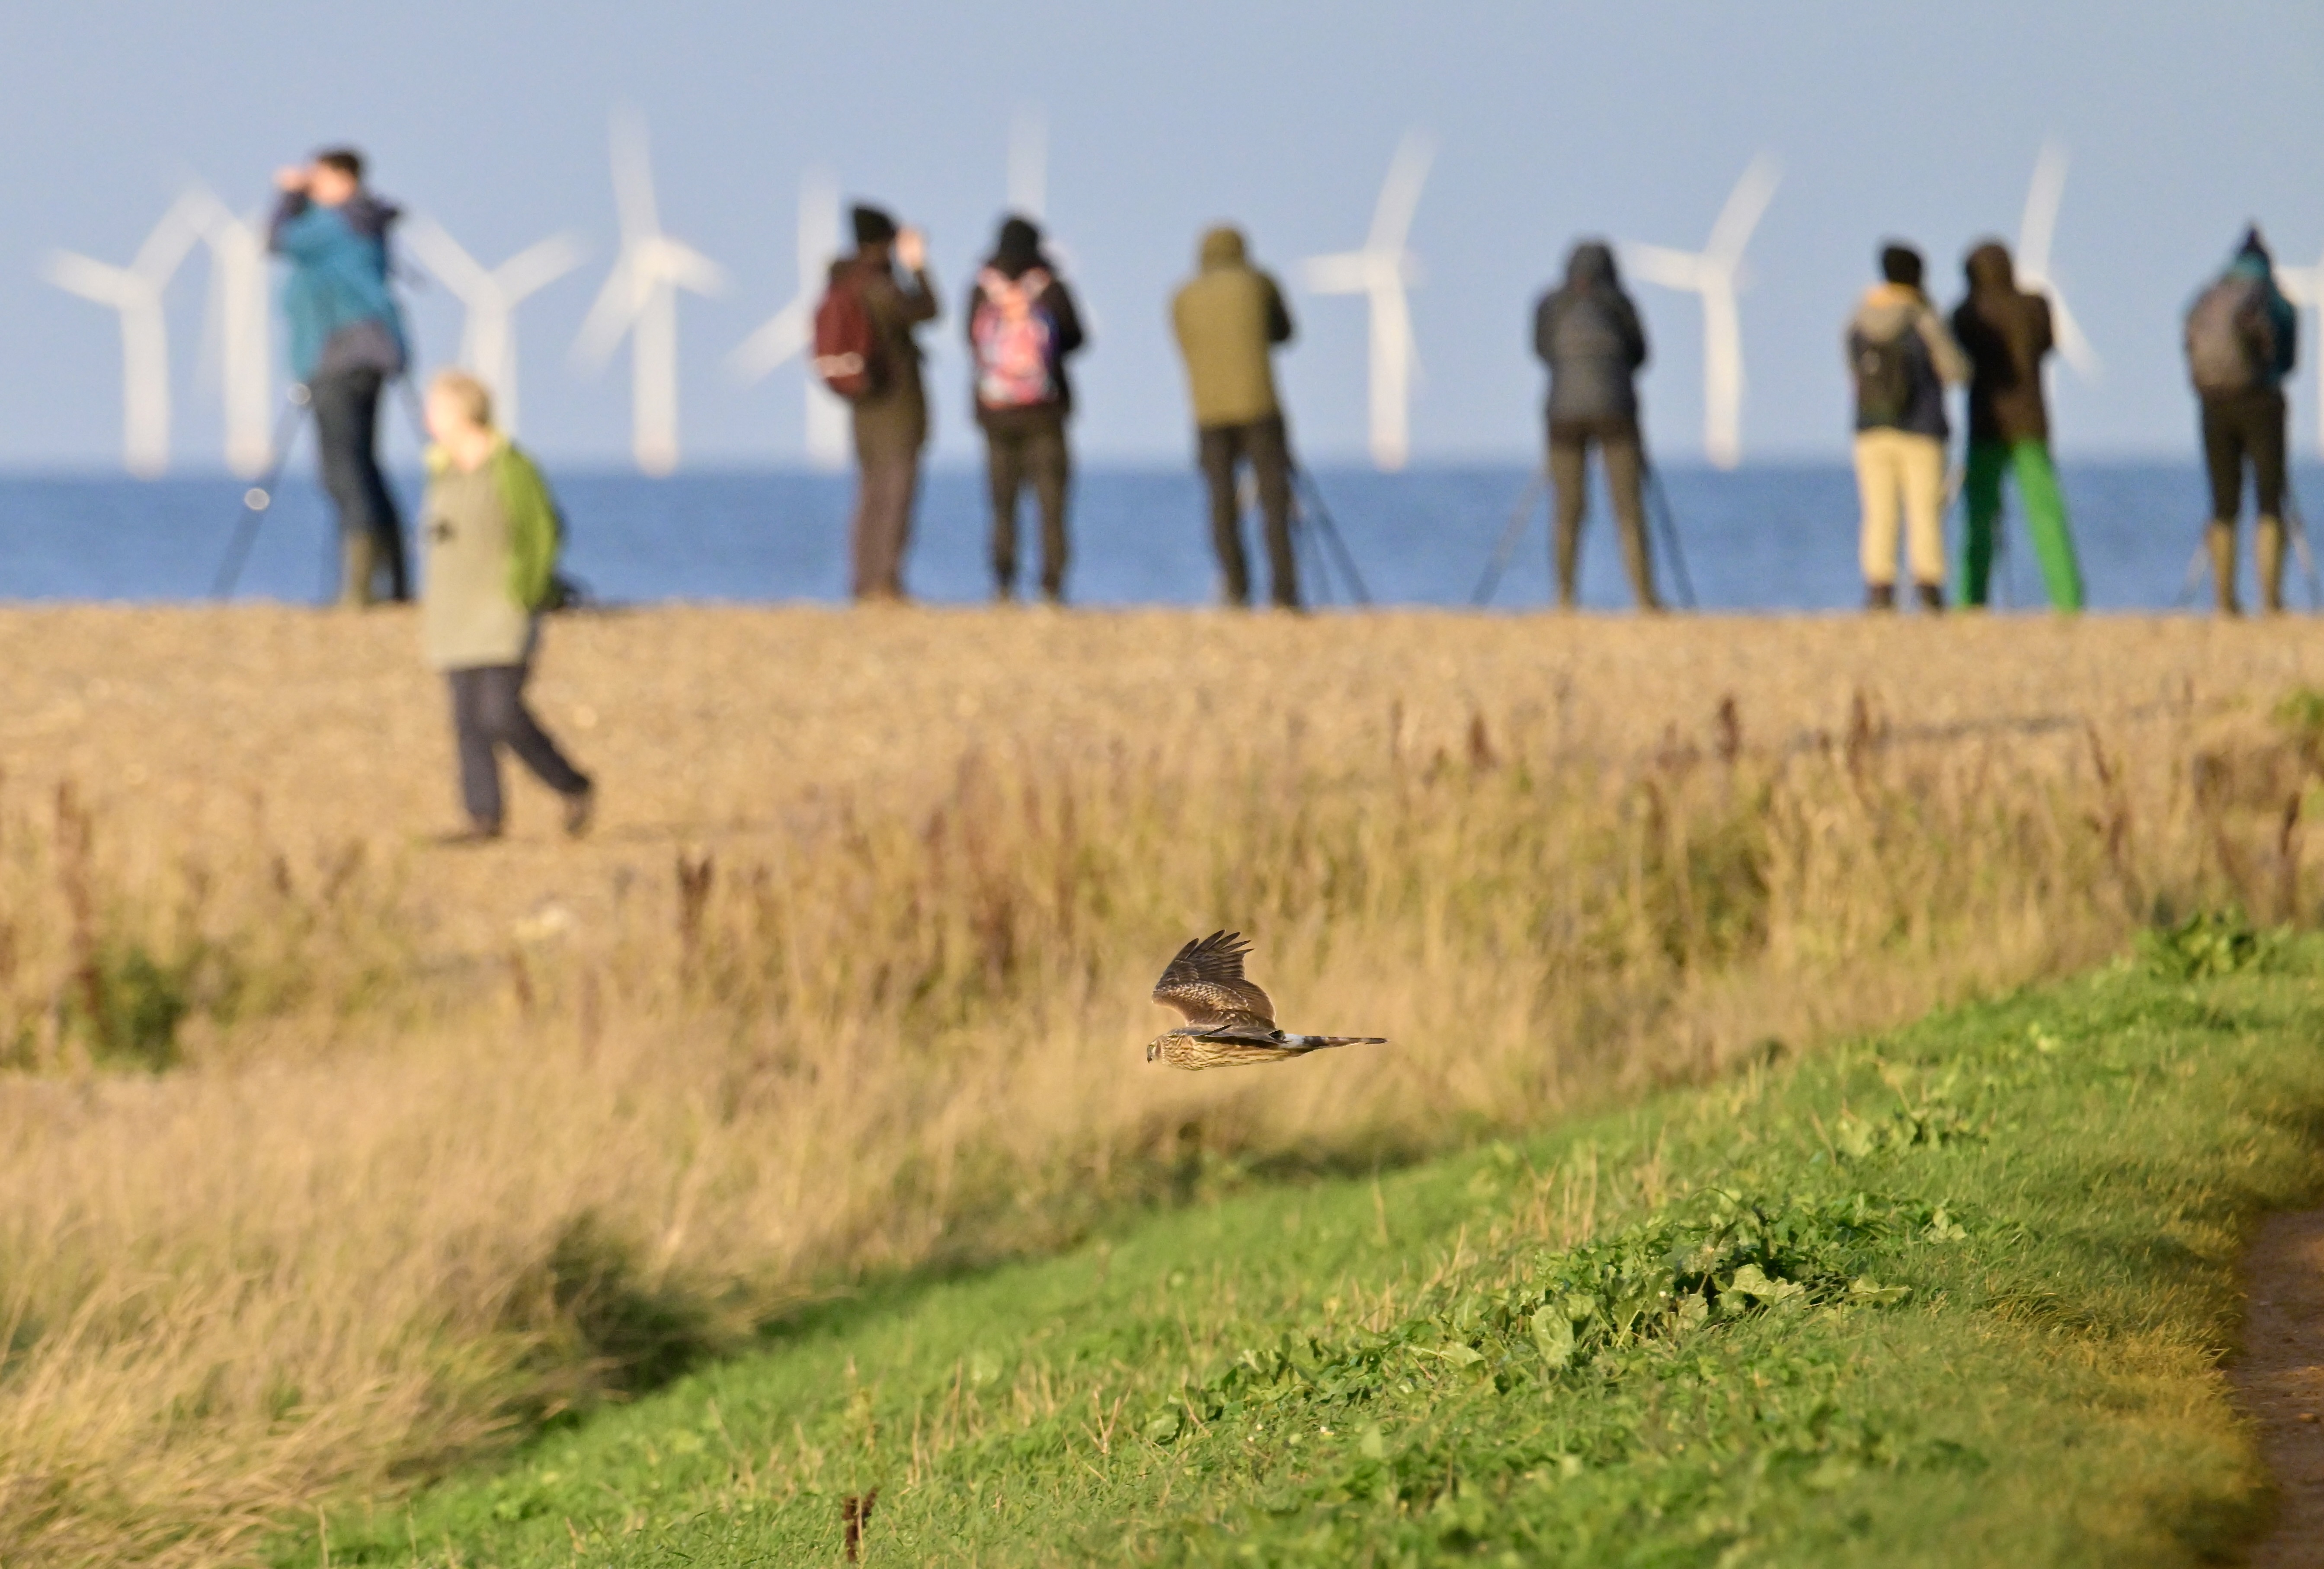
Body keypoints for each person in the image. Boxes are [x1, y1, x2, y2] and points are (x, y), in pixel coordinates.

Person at [417, 369, 592, 843]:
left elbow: (542, 530)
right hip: (453, 618)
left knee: (501, 712)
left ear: (462, 412)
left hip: (502, 613)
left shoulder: (511, 467)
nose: (427, 417)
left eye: (435, 408)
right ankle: (483, 817)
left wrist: (527, 589)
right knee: (467, 723)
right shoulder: (441, 470)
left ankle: (571, 783)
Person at [270, 147, 411, 607]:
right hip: (368, 353)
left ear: (342, 179)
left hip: (340, 355)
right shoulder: (361, 221)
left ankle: (360, 591)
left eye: (319, 178)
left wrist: (290, 197)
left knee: (343, 470)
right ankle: (393, 583)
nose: (313, 185)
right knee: (366, 466)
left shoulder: (335, 224)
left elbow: (279, 240)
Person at [1952, 242, 2084, 612]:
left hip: (1986, 423)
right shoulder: (2035, 306)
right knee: (2047, 515)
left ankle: (1969, 600)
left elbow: (1958, 354)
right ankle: (2068, 598)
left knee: (1979, 521)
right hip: (2031, 423)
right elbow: (2047, 345)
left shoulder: (1966, 313)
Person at [1171, 227, 1299, 608]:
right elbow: (1285, 332)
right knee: (1274, 502)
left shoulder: (1183, 297)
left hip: (1209, 413)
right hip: (1259, 408)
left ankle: (1235, 587)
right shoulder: (1259, 283)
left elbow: (1183, 340)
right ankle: (1284, 592)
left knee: (1222, 504)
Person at [967, 215, 1087, 604]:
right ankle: (1052, 585)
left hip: (996, 415)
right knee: (1051, 506)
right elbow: (1077, 338)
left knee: (1003, 506)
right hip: (1046, 416)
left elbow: (970, 341)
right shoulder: (1051, 288)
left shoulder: (982, 290)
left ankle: (1003, 583)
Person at [1532, 241, 1656, 610]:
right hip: (1617, 413)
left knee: (1568, 508)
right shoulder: (1620, 304)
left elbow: (1542, 351)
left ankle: (1565, 597)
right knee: (1628, 508)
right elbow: (1641, 354)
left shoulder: (1551, 305)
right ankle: (1644, 598)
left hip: (1562, 417)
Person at [1846, 243, 1969, 612]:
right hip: (1921, 428)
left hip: (1871, 429)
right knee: (1924, 511)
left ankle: (1880, 589)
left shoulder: (1858, 319)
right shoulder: (1922, 318)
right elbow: (1955, 370)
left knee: (1879, 512)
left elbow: (1853, 371)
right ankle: (1928, 589)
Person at [2185, 227, 2299, 615]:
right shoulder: (2270, 297)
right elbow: (2288, 357)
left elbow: (2188, 340)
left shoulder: (2208, 297)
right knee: (2269, 496)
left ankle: (2224, 599)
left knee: (2224, 501)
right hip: (2261, 403)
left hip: (2213, 405)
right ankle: (2270, 598)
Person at [832, 205, 938, 602]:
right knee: (895, 496)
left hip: (862, 406)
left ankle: (864, 579)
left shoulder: (843, 283)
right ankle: (884, 583)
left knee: (870, 496)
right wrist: (919, 267)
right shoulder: (879, 287)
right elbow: (929, 310)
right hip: (896, 405)